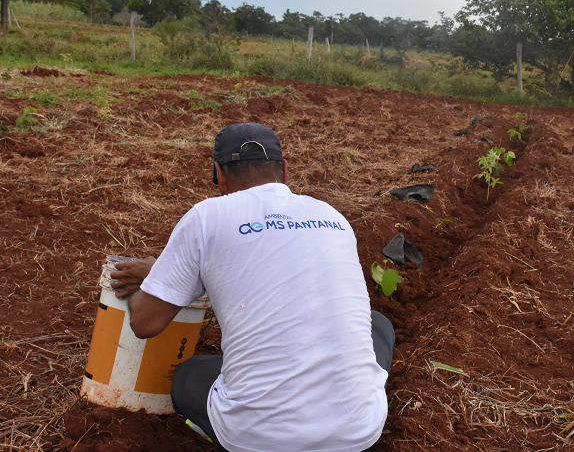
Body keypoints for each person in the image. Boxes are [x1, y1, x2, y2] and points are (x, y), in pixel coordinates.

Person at [110, 122, 395, 452]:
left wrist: (154, 276)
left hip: (256, 436)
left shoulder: (207, 217)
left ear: (219, 174)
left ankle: (217, 435)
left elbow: (145, 323)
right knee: (379, 325)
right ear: (284, 171)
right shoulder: (333, 217)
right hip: (358, 431)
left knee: (189, 374)